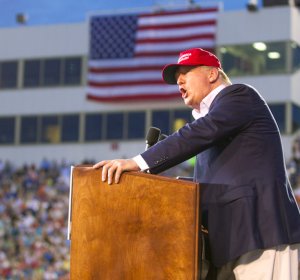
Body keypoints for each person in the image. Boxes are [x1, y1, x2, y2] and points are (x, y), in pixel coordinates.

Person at [93, 48, 300, 279]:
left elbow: (197, 133)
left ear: (212, 74)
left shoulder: (239, 96)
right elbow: (217, 180)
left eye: (186, 72)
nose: (179, 80)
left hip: (261, 233)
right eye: (176, 77)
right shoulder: (212, 125)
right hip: (229, 242)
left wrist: (138, 162)